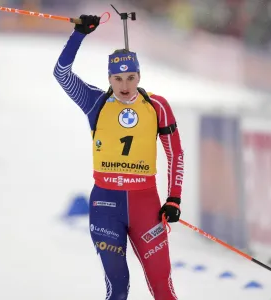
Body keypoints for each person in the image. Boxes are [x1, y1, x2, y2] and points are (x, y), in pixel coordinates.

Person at [54, 14, 184, 300]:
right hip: (105, 206)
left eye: (131, 78)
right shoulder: (95, 102)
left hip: (146, 207)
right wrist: (79, 35)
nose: (124, 86)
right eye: (117, 78)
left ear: (139, 76)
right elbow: (61, 73)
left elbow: (175, 152)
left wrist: (173, 198)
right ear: (109, 78)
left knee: (163, 288)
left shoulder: (157, 105)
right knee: (117, 288)